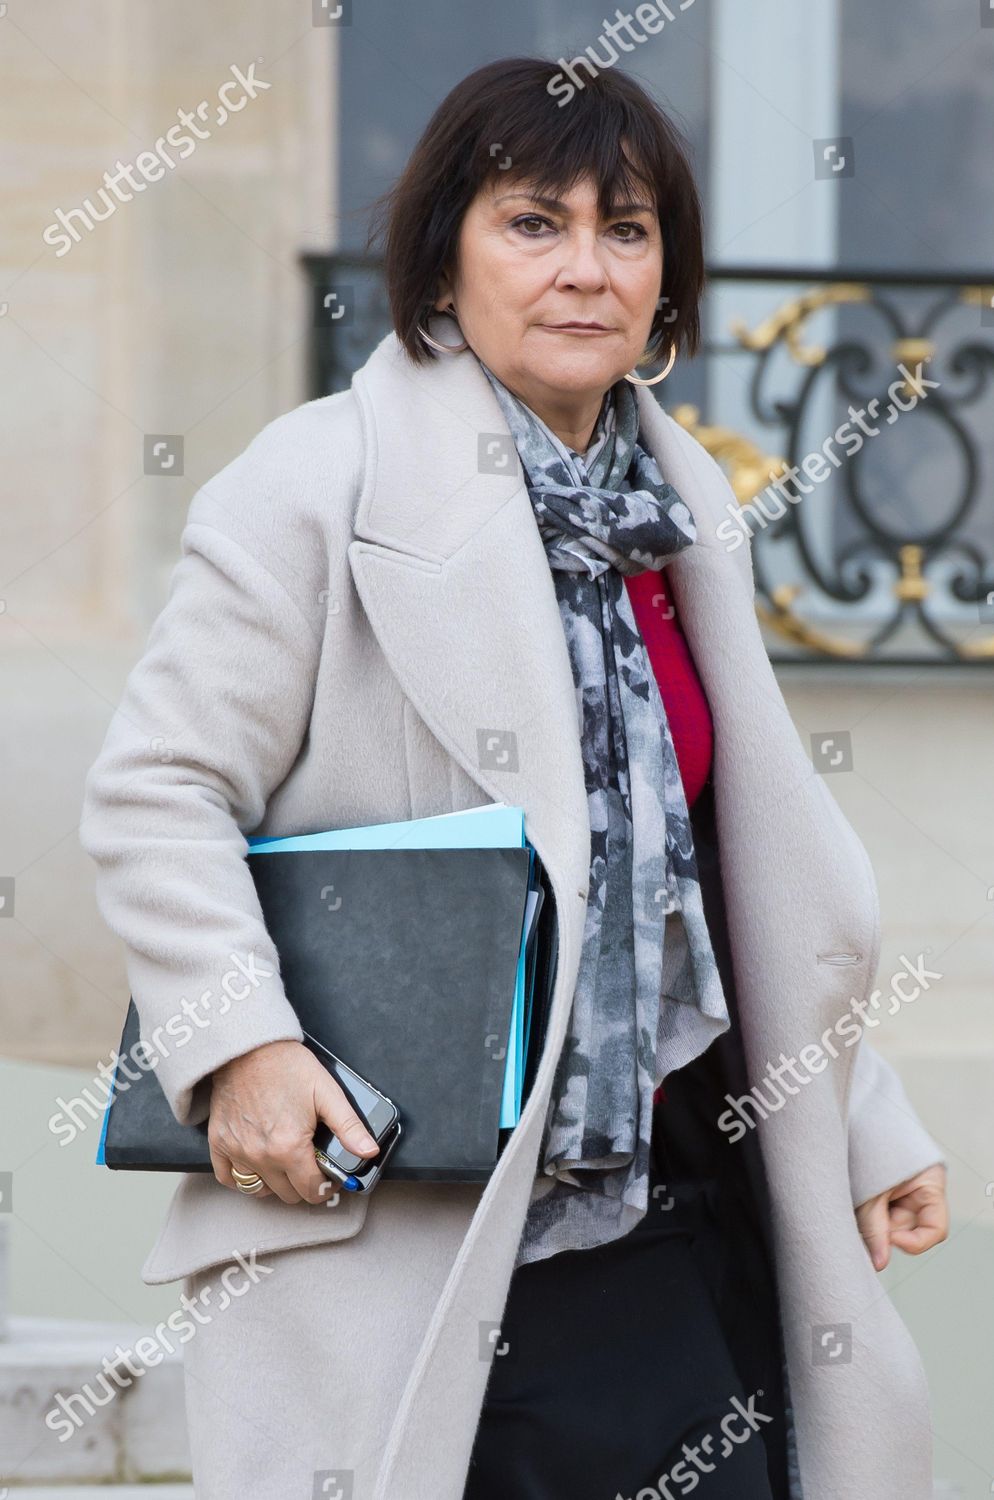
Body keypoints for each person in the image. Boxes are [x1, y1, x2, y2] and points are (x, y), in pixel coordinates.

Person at [80, 56, 948, 1500]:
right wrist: (239, 1044)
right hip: (415, 1228)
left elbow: (717, 870)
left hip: (679, 1223)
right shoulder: (311, 484)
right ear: (444, 254)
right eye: (531, 224)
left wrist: (860, 1119)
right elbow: (157, 788)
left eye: (625, 230)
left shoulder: (678, 516)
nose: (584, 271)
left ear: (667, 283)